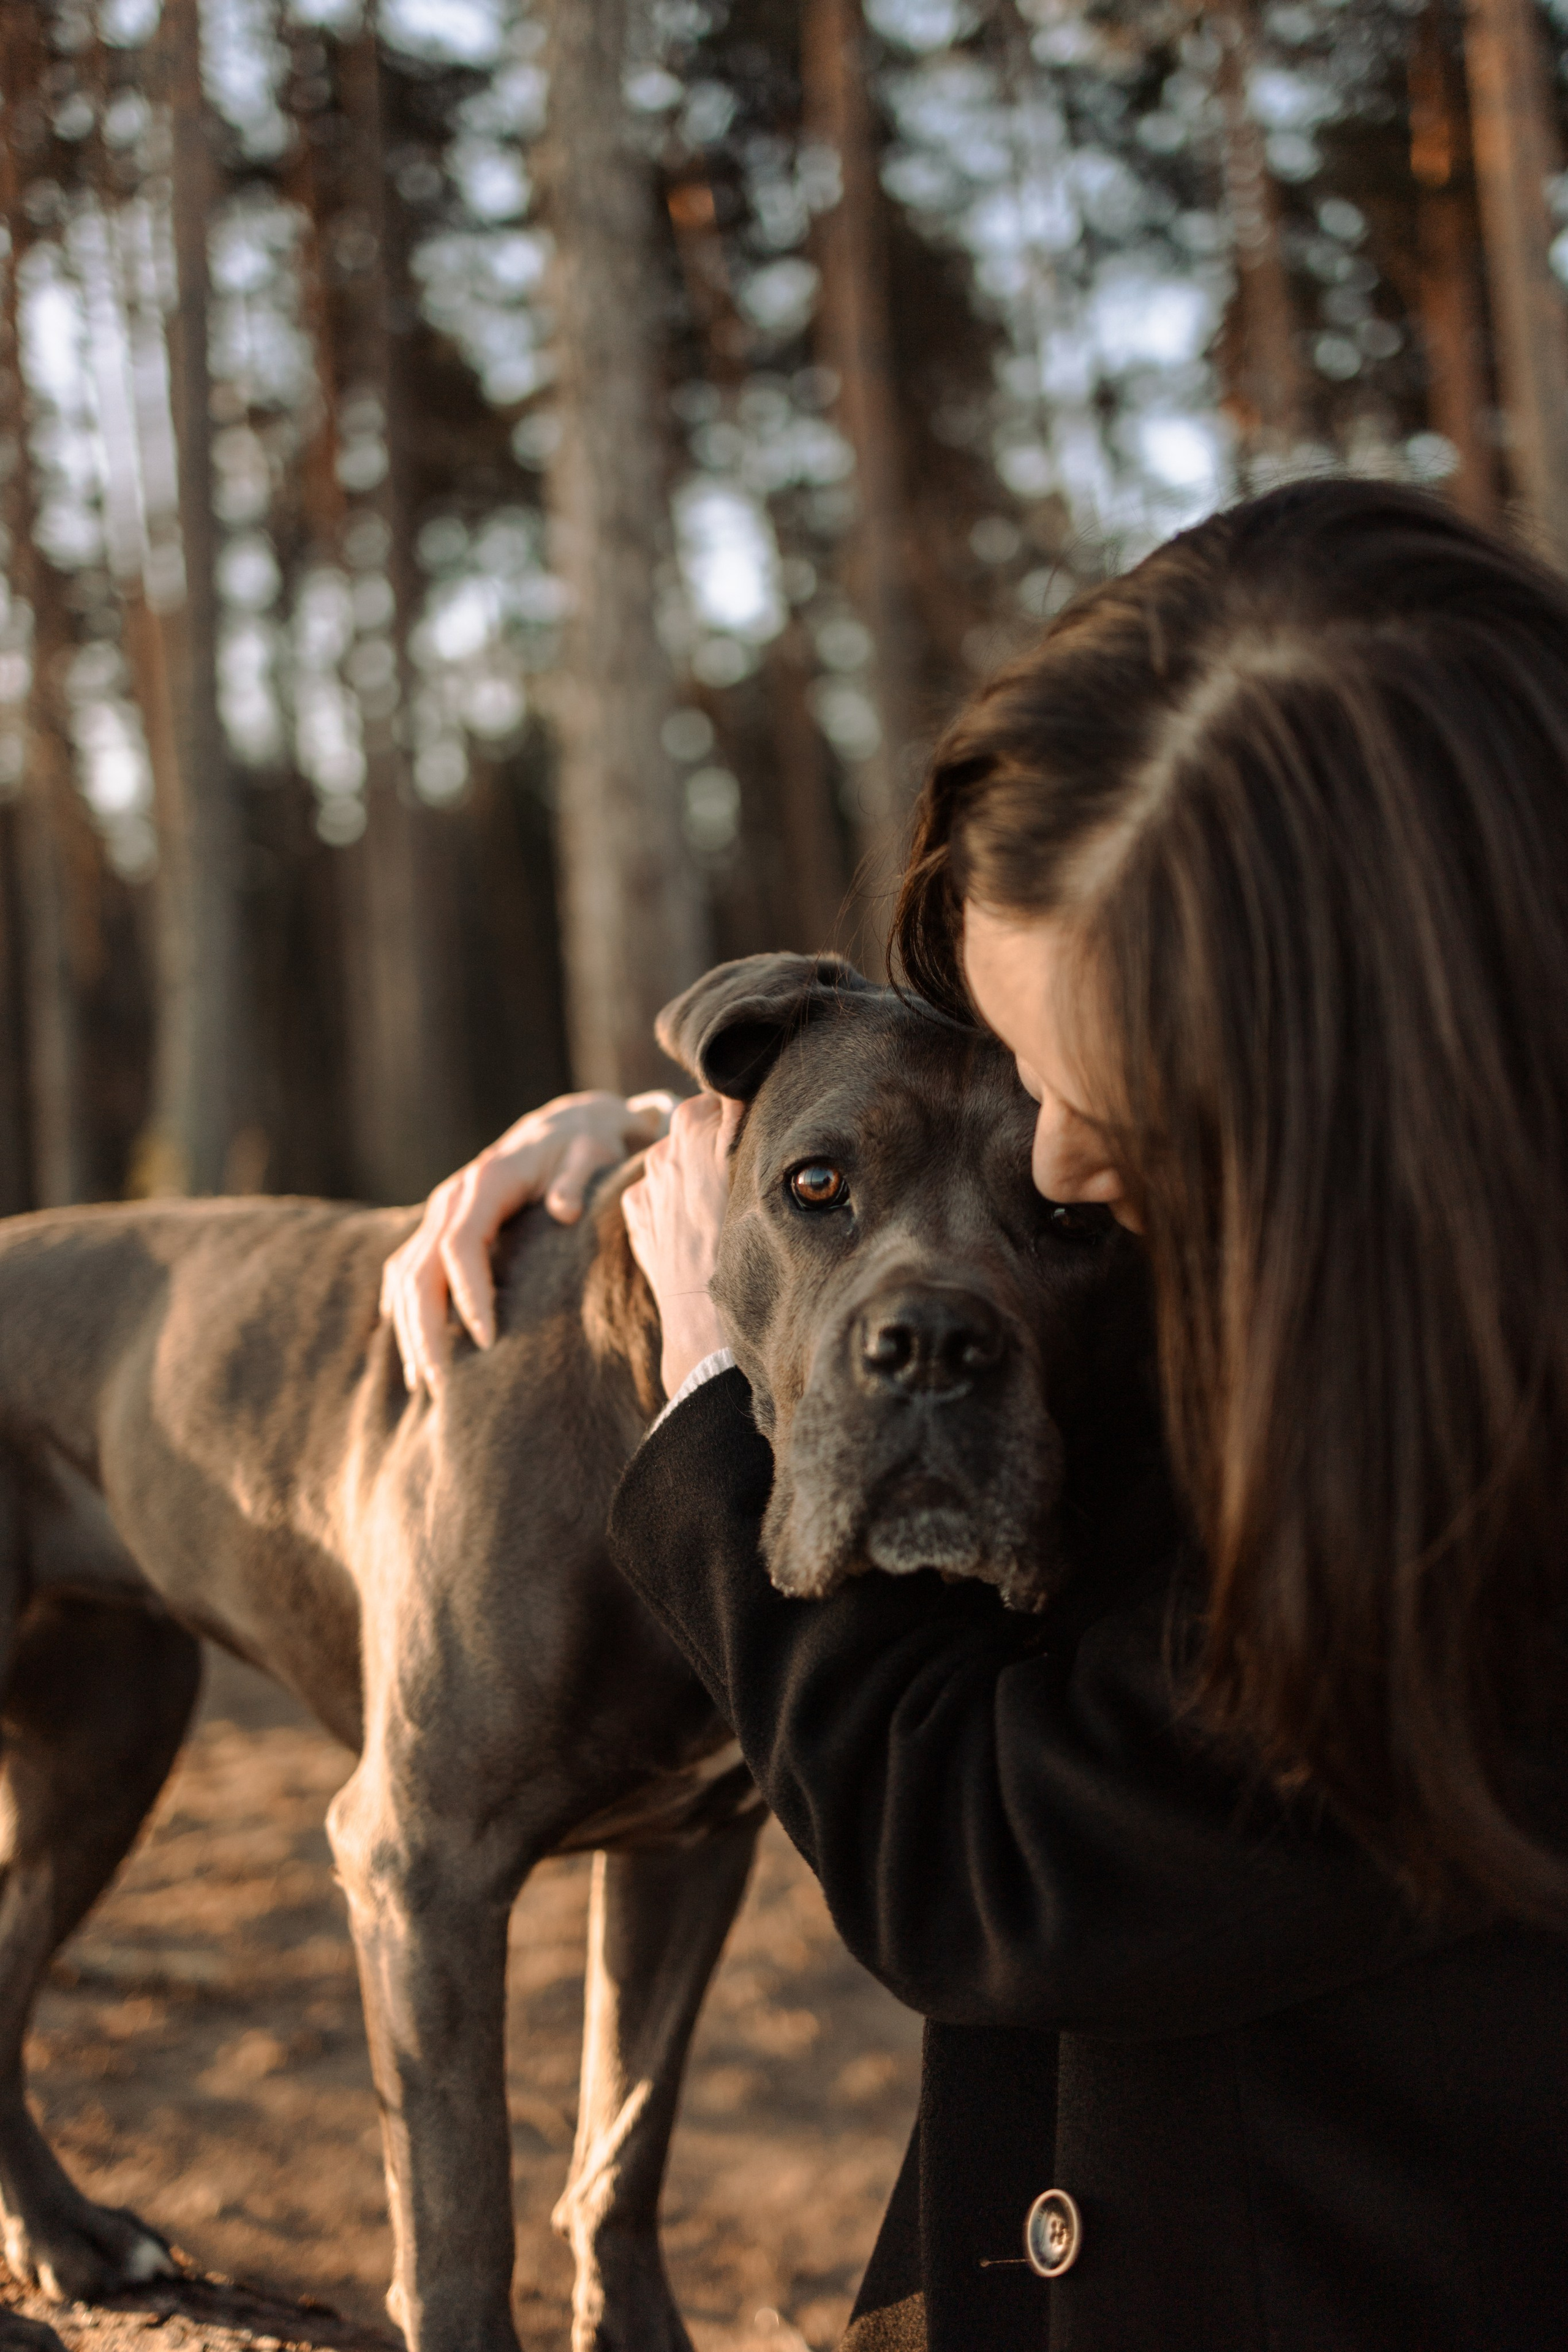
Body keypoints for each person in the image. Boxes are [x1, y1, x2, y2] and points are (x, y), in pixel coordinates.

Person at [380, 480, 1568, 2352]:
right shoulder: (1371, 1240)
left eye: (1130, 1100)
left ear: (1388, 1068)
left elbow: (1000, 1860)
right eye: (1025, 1066)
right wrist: (696, 1150)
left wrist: (712, 1379)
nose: (1069, 1157)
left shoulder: (1492, 1503)